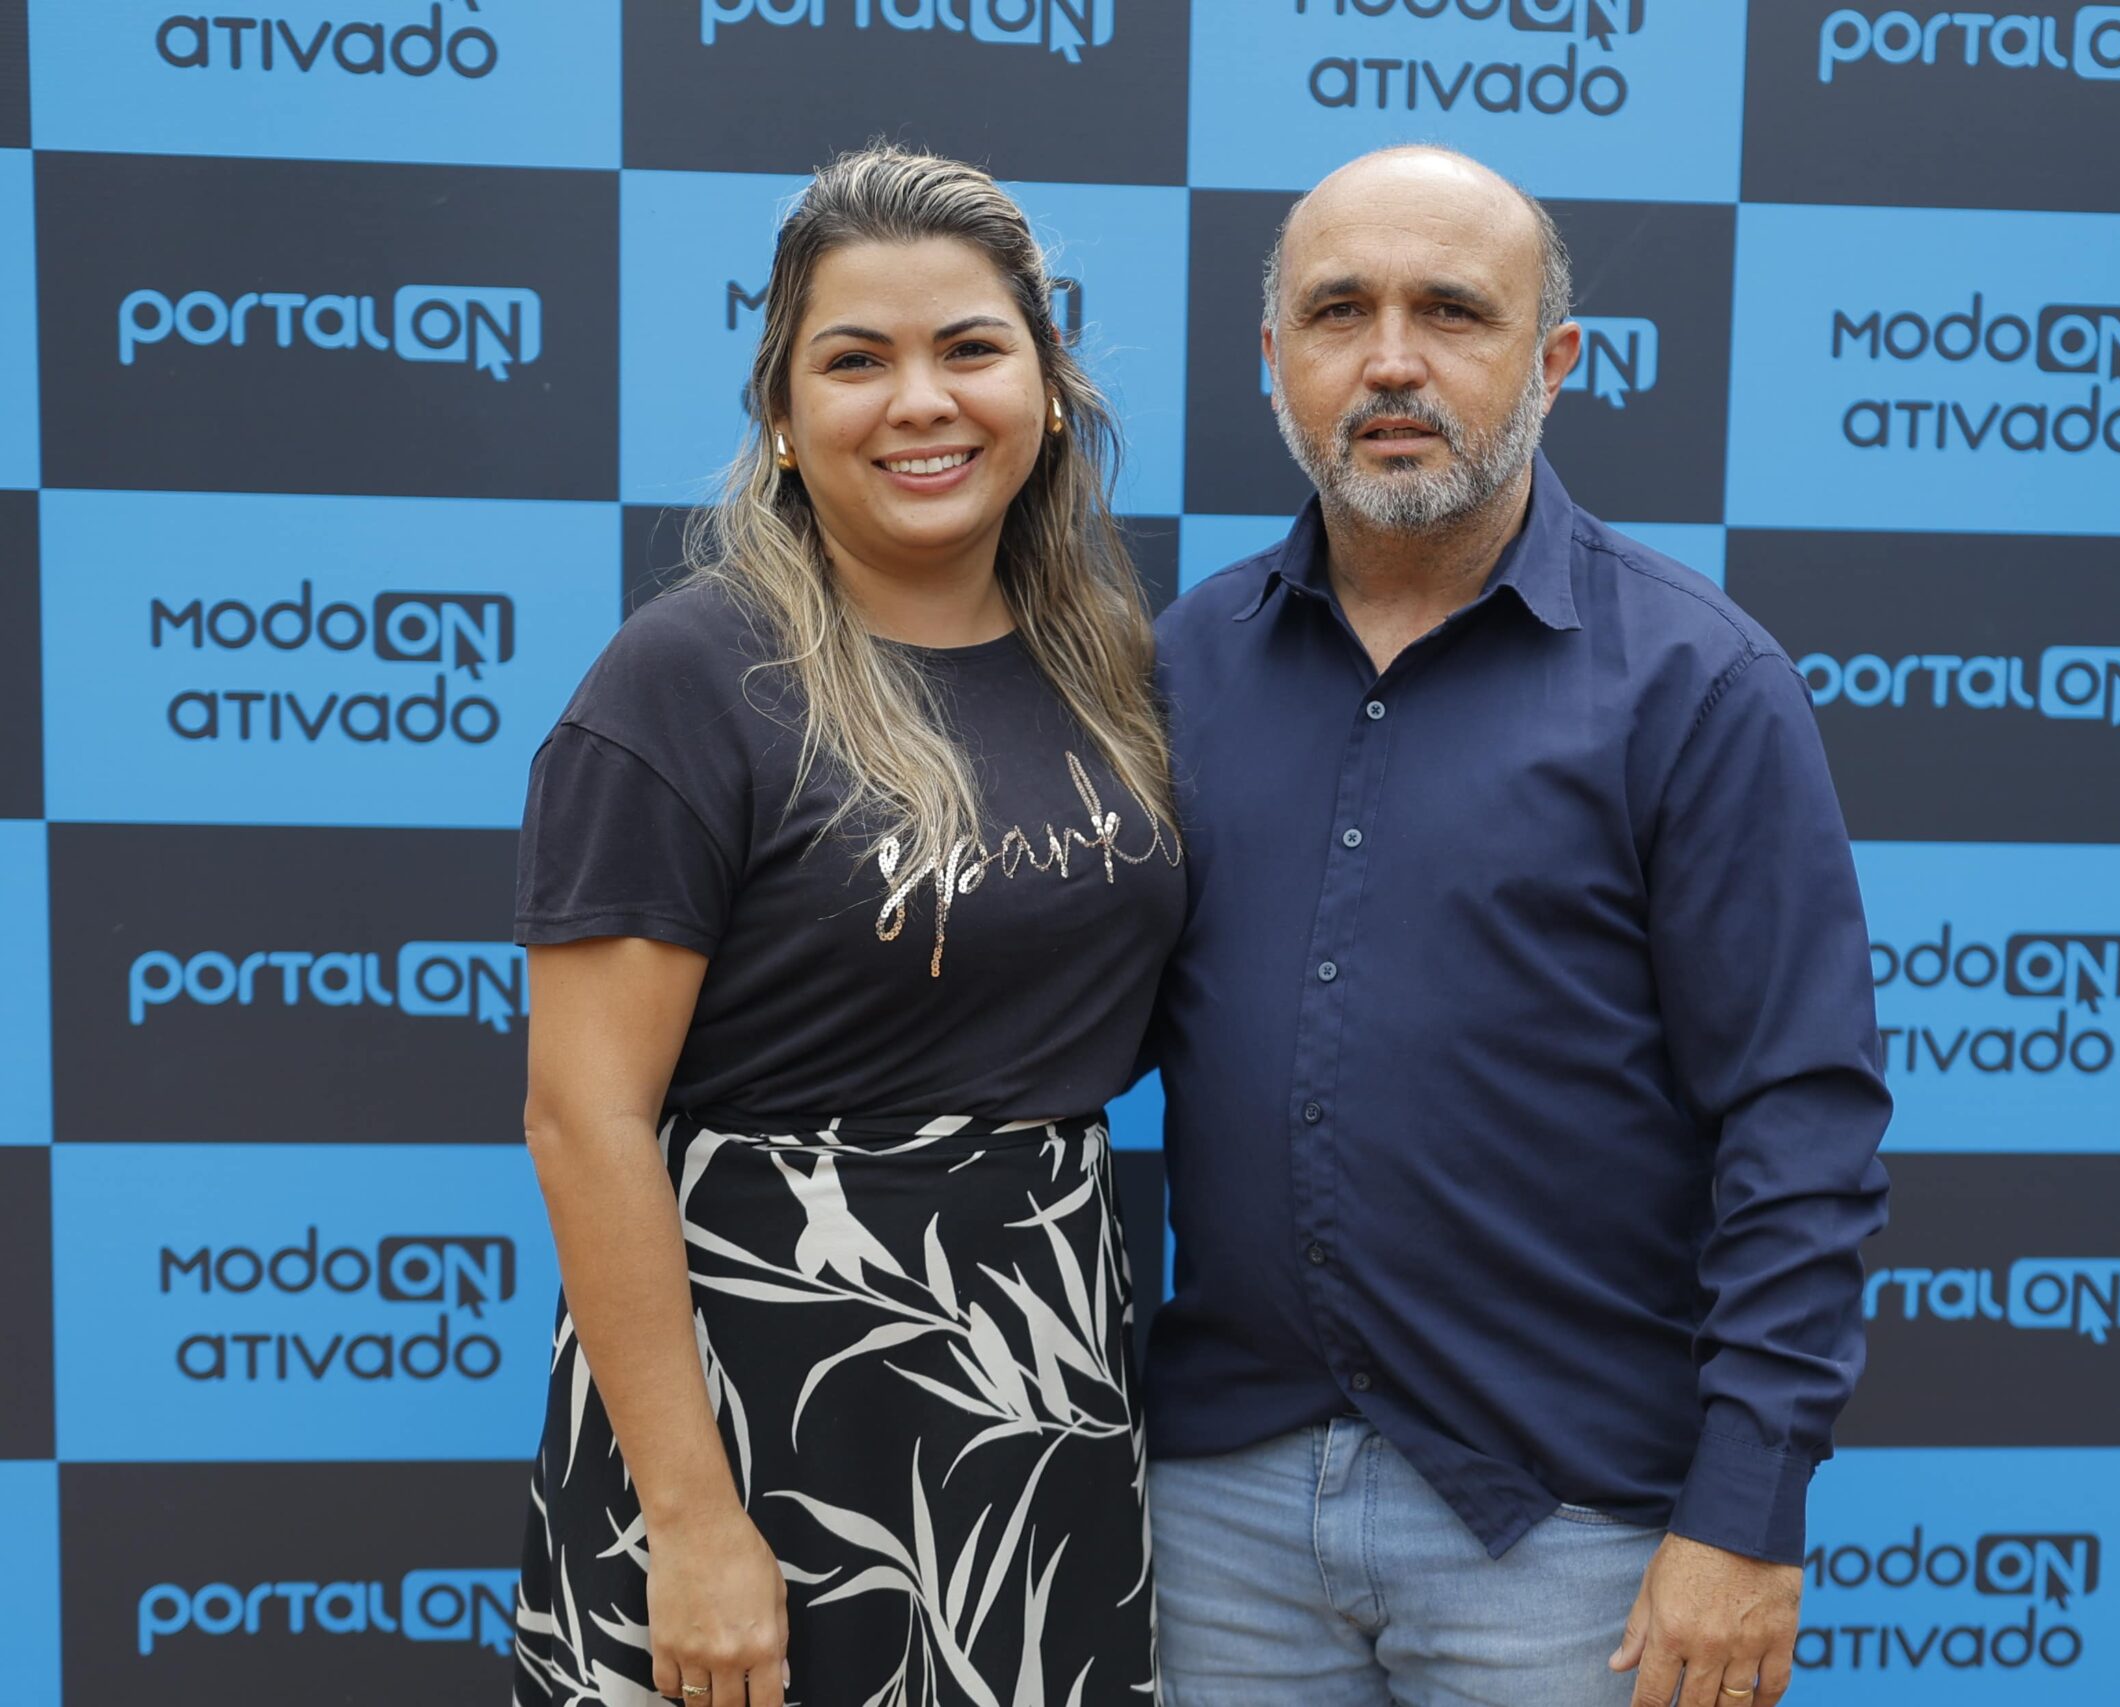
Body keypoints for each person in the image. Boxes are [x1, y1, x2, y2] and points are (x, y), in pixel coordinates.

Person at [1143, 145, 1893, 1707]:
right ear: (1273, 360)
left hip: (1567, 1533)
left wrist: (1745, 1514)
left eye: (1453, 312)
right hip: (1219, 1510)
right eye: (1339, 312)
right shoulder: (1178, 668)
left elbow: (1800, 1121)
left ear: (1553, 361)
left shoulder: (1699, 683)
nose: (1391, 360)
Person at [507, 146, 1178, 1707]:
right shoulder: (685, 683)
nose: (920, 403)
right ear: (783, 417)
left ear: (1049, 390)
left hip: (1041, 1382)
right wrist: (691, 1521)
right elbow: (583, 1117)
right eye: (856, 360)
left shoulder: (1110, 668)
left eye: (971, 349)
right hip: (763, 1405)